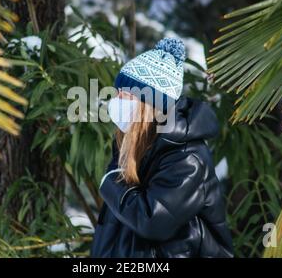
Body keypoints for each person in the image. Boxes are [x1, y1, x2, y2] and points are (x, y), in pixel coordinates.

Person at [90, 38, 233, 258]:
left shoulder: (187, 158)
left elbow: (151, 221)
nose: (116, 101)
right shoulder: (135, 144)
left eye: (125, 95)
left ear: (148, 104)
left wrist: (111, 179)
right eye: (117, 94)